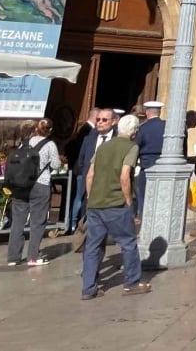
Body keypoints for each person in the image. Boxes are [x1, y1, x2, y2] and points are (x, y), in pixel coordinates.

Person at [81, 113, 149, 299]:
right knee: (128, 243)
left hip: (95, 204)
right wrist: (128, 202)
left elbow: (90, 175)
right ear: (134, 132)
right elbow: (125, 176)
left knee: (93, 246)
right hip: (115, 204)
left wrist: (90, 197)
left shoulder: (103, 146)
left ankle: (88, 288)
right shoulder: (131, 147)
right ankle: (132, 283)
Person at [6, 118, 62, 266]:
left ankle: (13, 257)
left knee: (18, 221)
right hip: (40, 184)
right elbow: (56, 165)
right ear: (50, 130)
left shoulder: (24, 143)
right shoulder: (50, 144)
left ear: (35, 128)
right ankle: (33, 257)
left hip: (20, 185)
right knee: (38, 221)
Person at [72, 109, 115, 251]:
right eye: (98, 119)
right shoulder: (89, 139)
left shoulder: (117, 140)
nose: (100, 123)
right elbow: (82, 161)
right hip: (90, 184)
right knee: (88, 214)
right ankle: (88, 244)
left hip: (108, 186)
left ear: (113, 122)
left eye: (104, 120)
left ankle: (101, 241)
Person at [134, 101, 165, 213]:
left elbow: (136, 146)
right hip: (164, 167)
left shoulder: (142, 128)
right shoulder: (166, 126)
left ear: (147, 112)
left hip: (146, 166)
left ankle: (144, 221)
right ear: (159, 112)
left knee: (144, 199)